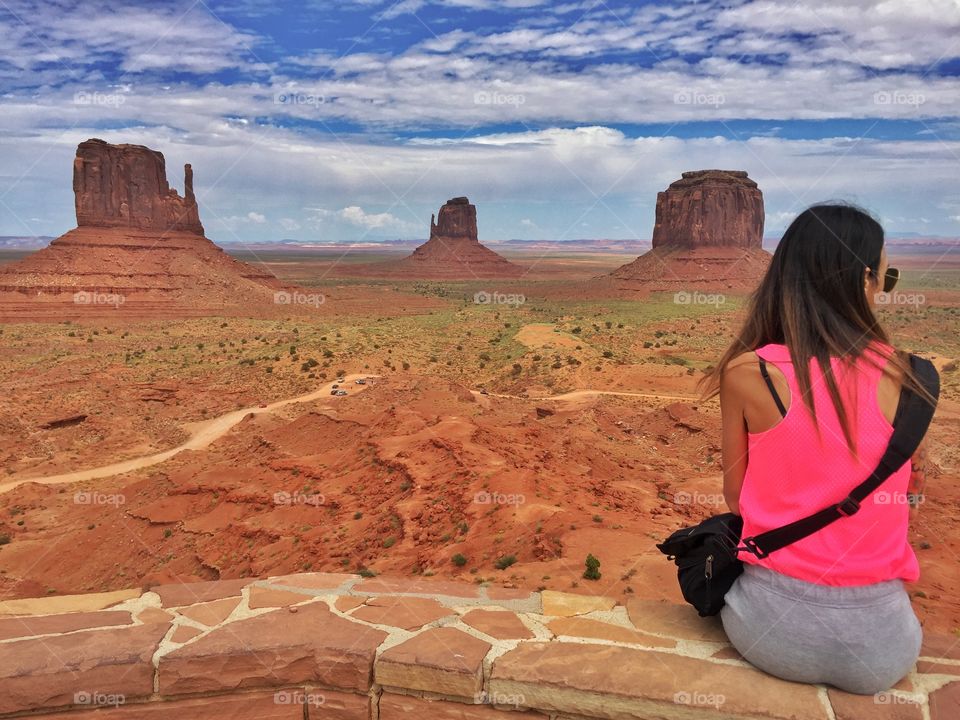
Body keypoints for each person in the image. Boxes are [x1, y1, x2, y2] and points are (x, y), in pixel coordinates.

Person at [697, 203, 936, 695]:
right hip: (883, 647)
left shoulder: (750, 372)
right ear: (866, 278)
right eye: (886, 278)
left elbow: (738, 499)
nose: (884, 289)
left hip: (771, 632)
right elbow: (910, 496)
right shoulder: (915, 377)